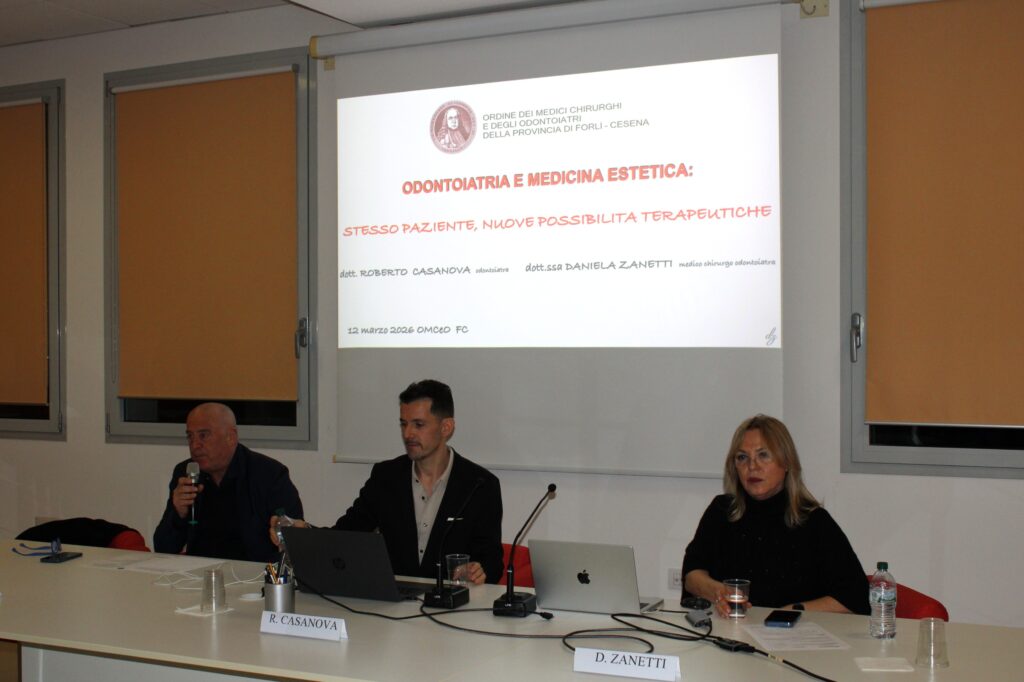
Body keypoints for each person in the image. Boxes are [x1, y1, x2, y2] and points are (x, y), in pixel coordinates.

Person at [271, 380, 503, 584]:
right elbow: (346, 535)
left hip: (451, 605)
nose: (408, 434)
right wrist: (303, 532)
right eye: (403, 423)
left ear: (446, 427)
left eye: (418, 424)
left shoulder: (480, 485)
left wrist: (477, 571)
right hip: (393, 605)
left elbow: (492, 563)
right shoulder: (386, 477)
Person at [681, 414, 869, 616]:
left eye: (763, 455)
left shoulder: (814, 521)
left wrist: (794, 611)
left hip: (794, 631)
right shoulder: (721, 511)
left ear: (786, 462)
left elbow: (855, 596)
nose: (752, 466)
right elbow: (692, 575)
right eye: (742, 457)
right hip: (729, 629)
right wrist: (720, 593)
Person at [154, 402, 303, 563]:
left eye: (203, 435)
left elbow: (296, 542)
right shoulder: (185, 474)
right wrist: (178, 514)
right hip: (199, 571)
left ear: (230, 437)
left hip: (254, 572)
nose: (195, 445)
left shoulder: (269, 475)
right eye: (190, 436)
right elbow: (162, 548)